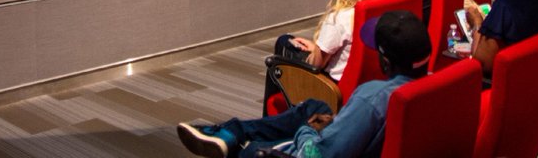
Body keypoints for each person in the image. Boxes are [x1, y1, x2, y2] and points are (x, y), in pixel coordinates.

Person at [178, 10, 432, 158]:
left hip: (316, 151)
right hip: (358, 141)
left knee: (253, 150)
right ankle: (232, 131)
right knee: (313, 106)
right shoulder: (435, 86)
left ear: (385, 61)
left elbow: (318, 154)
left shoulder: (372, 98)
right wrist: (333, 124)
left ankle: (235, 138)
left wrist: (308, 131)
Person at [263, 0, 380, 109]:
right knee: (290, 43)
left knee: (282, 48)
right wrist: (317, 47)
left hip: (330, 88)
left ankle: (277, 110)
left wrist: (315, 52)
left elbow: (316, 64)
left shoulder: (339, 18)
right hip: (364, 82)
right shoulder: (377, 8)